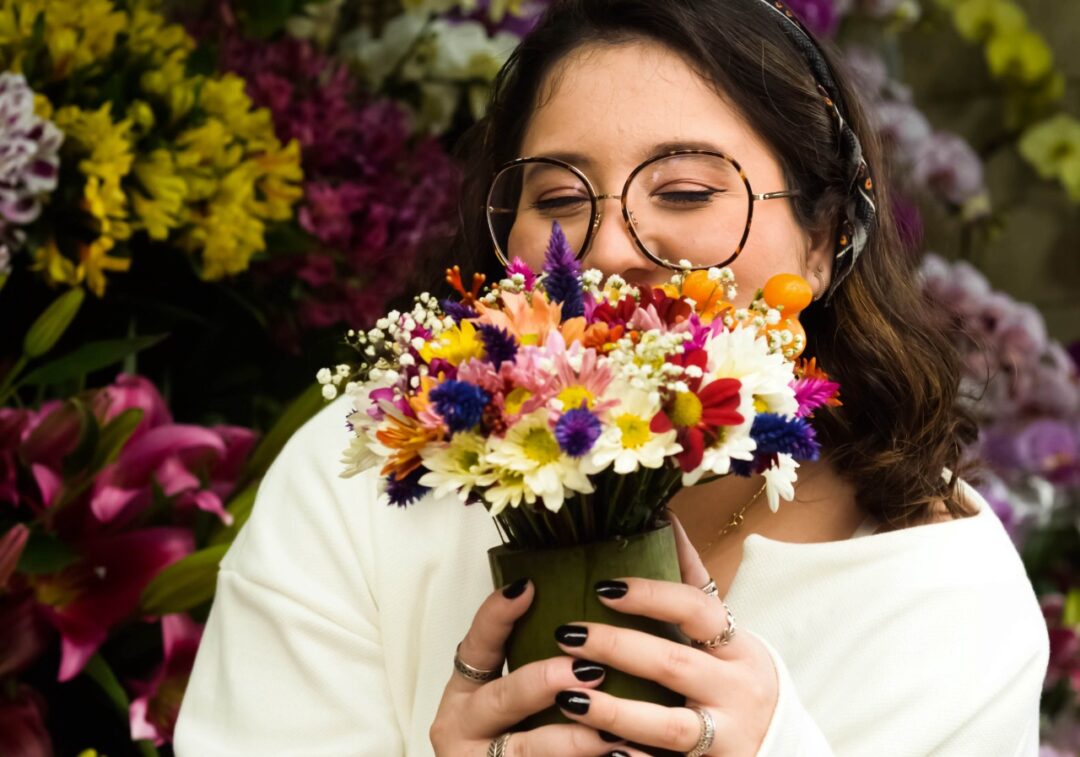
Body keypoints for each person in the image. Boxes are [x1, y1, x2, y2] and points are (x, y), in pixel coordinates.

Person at [173, 1, 1050, 754]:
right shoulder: (362, 472)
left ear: (822, 241)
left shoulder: (943, 594)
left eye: (687, 190)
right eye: (556, 200)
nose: (608, 248)